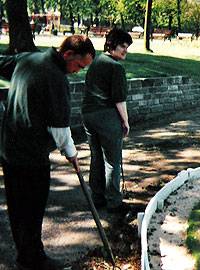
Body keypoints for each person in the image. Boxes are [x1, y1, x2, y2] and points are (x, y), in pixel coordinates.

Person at [0, 35, 95, 270]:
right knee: (32, 208)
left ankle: (25, 255)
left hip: (9, 150)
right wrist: (71, 154)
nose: (77, 71)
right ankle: (33, 258)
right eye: (79, 66)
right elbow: (60, 128)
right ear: (68, 55)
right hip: (31, 155)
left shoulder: (28, 59)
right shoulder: (55, 78)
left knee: (17, 207)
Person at [81, 28, 132, 214]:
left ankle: (97, 197)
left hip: (88, 114)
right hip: (106, 116)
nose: (125, 50)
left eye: (127, 47)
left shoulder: (96, 62)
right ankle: (114, 202)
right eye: (122, 46)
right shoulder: (116, 67)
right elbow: (119, 99)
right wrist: (125, 122)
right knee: (112, 160)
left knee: (96, 158)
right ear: (111, 45)